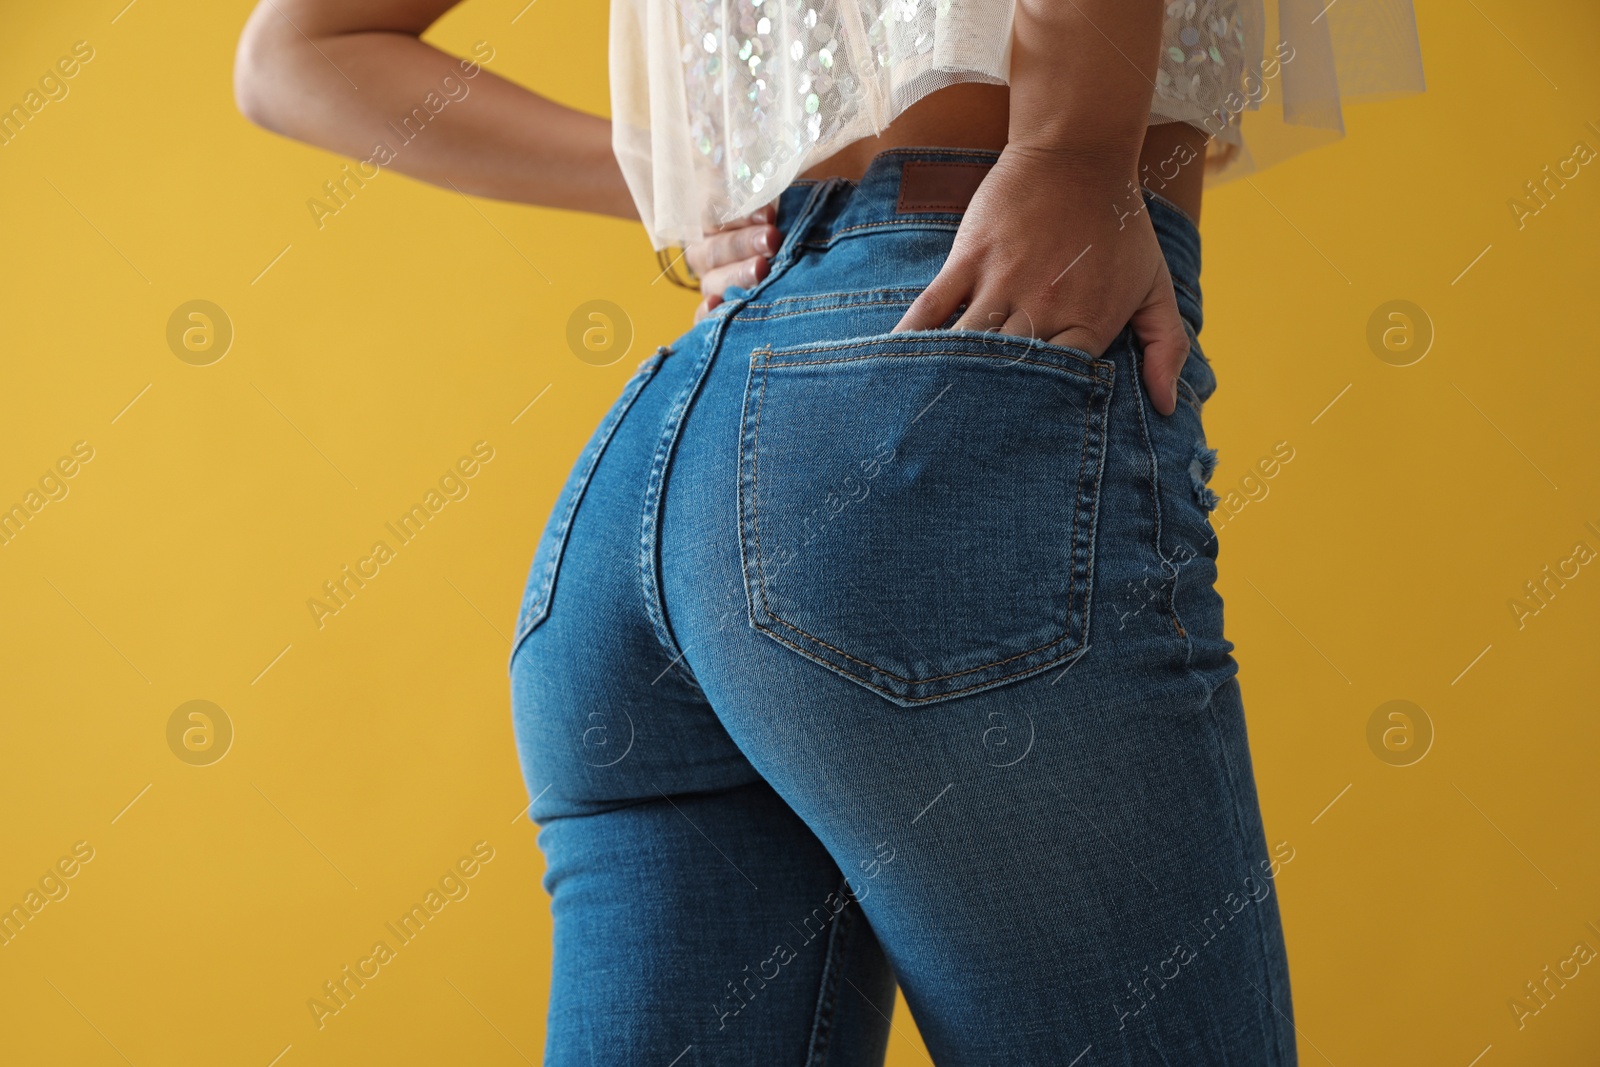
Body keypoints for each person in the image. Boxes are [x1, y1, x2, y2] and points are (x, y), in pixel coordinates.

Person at [235, 1, 1421, 1062]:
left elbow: (292, 53)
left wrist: (685, 178)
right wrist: (1069, 151)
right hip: (930, 402)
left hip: (661, 463)